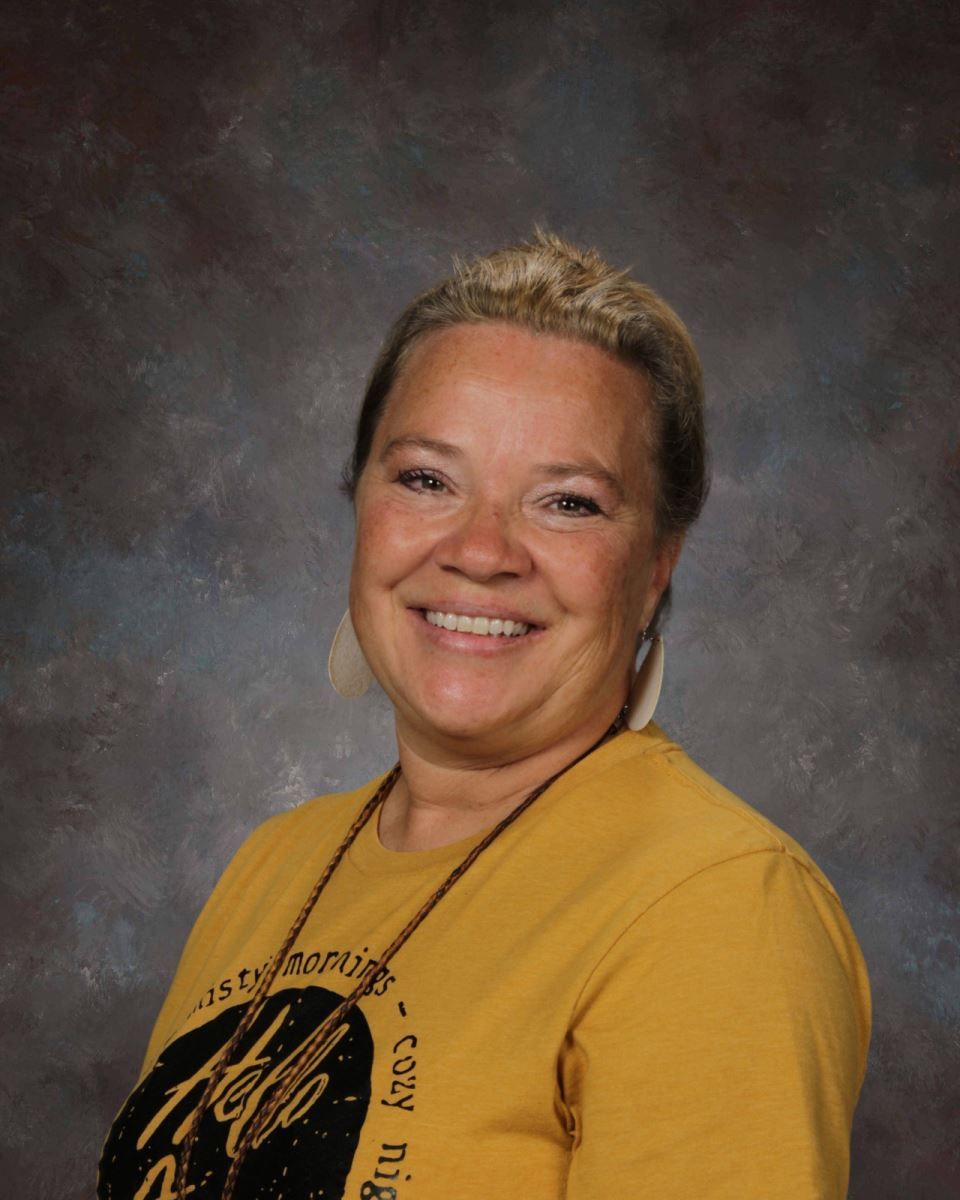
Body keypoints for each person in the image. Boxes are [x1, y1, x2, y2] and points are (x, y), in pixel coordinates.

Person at [98, 231, 871, 1200]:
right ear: (362, 507)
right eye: (427, 480)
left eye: (567, 502)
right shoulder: (274, 866)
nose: (481, 550)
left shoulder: (713, 906)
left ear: (657, 563)